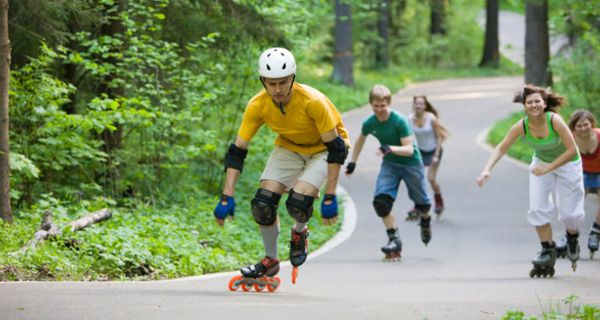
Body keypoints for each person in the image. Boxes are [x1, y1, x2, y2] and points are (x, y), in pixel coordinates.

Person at [213, 47, 350, 279]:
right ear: (263, 80)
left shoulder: (312, 101)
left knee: (299, 201)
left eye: (283, 82)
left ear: (293, 79)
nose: (277, 89)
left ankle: (299, 233)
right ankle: (271, 260)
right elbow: (237, 151)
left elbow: (335, 149)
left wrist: (330, 194)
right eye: (271, 83)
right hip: (289, 146)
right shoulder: (257, 105)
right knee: (262, 204)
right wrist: (227, 195)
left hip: (324, 149)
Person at [477, 84, 584, 277]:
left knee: (570, 214)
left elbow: (571, 150)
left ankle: (572, 236)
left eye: (537, 101)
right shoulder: (522, 126)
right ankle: (547, 249)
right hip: (541, 163)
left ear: (544, 104)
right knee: (537, 208)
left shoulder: (555, 121)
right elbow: (502, 147)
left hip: (568, 164)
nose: (533, 105)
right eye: (529, 102)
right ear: (524, 106)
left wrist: (548, 169)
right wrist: (487, 170)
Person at [345, 85, 433, 261]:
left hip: (411, 164)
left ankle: (425, 220)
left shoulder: (399, 120)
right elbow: (360, 139)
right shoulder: (370, 122)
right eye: (375, 106)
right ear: (371, 104)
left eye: (382, 106)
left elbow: (409, 149)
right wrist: (353, 161)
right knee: (381, 202)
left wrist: (389, 148)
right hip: (390, 164)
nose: (379, 110)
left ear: (389, 103)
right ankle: (394, 238)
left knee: (422, 204)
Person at [406, 95, 449, 220]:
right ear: (414, 105)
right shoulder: (409, 119)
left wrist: (436, 156)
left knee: (430, 178)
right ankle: (418, 205)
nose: (419, 106)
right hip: (421, 152)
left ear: (425, 106)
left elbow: (440, 137)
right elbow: (407, 136)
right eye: (417, 103)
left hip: (435, 151)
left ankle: (439, 200)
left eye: (421, 104)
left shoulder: (431, 118)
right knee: (417, 179)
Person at [565, 110, 600, 259]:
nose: (583, 128)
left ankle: (596, 230)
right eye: (579, 126)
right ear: (573, 127)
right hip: (581, 173)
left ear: (592, 124)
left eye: (586, 124)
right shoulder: (569, 139)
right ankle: (571, 234)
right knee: (574, 204)